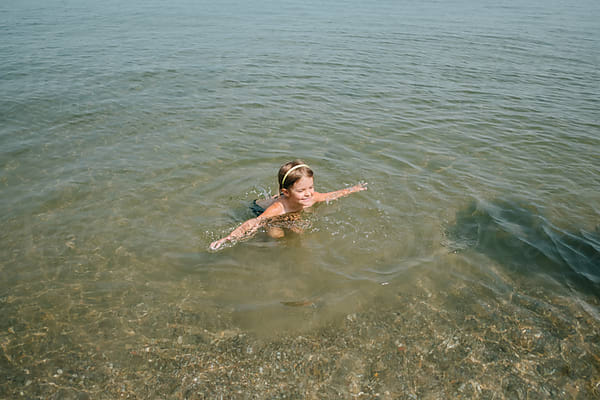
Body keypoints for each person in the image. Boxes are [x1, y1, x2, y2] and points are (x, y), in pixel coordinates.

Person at [209, 160, 366, 250]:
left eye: (311, 187)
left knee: (299, 230)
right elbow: (254, 223)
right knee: (277, 236)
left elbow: (331, 195)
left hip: (289, 209)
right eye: (301, 190)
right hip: (260, 211)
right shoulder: (278, 207)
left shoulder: (311, 197)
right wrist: (228, 238)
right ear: (286, 192)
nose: (308, 193)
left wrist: (352, 189)